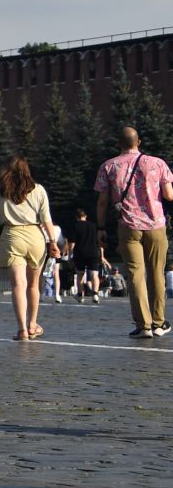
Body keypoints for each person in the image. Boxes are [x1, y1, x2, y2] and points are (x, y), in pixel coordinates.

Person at [96, 127, 172, 338]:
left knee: (136, 274)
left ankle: (143, 325)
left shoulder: (108, 166)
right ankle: (158, 322)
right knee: (157, 272)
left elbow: (102, 202)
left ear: (119, 143)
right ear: (138, 141)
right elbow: (169, 195)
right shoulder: (157, 163)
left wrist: (101, 228)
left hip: (128, 226)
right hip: (156, 225)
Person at [0, 156, 58, 341]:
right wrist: (53, 242)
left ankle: (22, 329)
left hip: (11, 235)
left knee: (18, 284)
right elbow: (46, 218)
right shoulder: (38, 189)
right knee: (33, 284)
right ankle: (33, 324)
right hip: (36, 236)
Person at [71, 208, 106, 304]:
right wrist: (102, 255)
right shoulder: (93, 226)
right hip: (93, 252)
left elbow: (73, 242)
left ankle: (80, 295)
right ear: (85, 216)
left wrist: (70, 253)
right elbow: (99, 241)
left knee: (80, 274)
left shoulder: (75, 226)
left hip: (80, 252)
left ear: (76, 217)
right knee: (94, 274)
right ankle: (95, 294)